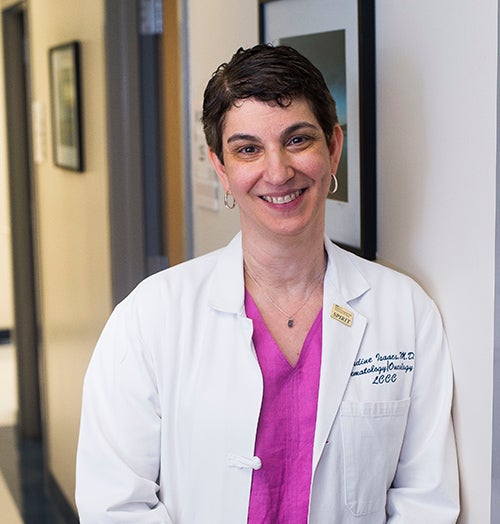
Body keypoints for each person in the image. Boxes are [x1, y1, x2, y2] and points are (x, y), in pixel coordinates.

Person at [75, 44, 460, 523]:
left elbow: (426, 501)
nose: (278, 172)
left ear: (334, 147)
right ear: (221, 167)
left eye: (298, 140)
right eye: (248, 149)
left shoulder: (406, 313)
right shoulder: (151, 316)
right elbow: (114, 503)